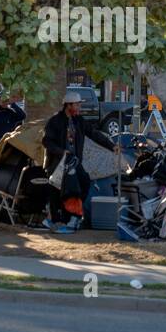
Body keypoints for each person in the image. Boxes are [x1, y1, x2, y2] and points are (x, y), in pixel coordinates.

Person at [41, 90, 114, 231]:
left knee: (84, 182)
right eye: (77, 105)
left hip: (74, 162)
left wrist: (112, 146)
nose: (79, 108)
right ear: (68, 105)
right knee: (57, 192)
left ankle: (70, 217)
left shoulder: (79, 121)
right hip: (57, 164)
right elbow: (46, 141)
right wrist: (62, 151)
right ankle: (58, 220)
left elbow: (94, 134)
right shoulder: (54, 121)